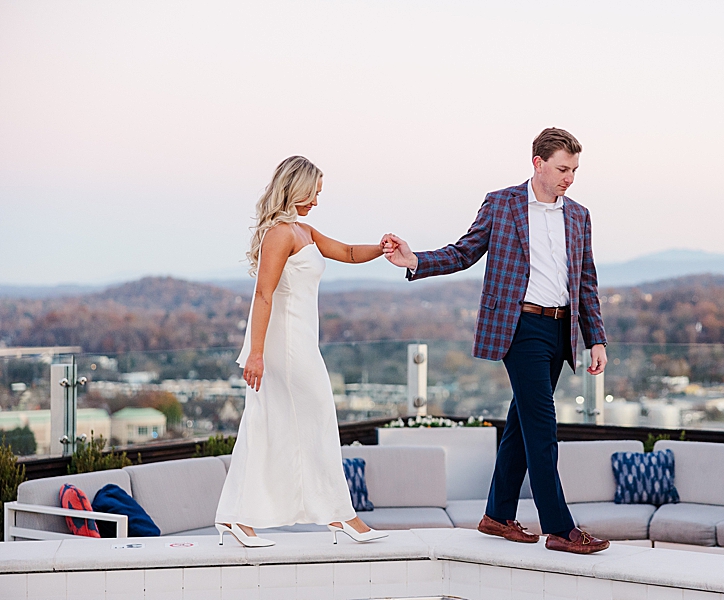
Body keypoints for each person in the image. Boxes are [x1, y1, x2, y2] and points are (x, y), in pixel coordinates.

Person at [382, 128, 609, 554]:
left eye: (575, 170)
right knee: (543, 429)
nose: (570, 178)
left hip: (560, 331)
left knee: (522, 428)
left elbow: (586, 282)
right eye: (563, 169)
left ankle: (497, 515)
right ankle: (560, 528)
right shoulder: (502, 204)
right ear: (537, 163)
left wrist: (595, 339)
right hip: (520, 330)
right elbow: (465, 251)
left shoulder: (579, 215)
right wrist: (415, 260)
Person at [215, 156, 388, 548]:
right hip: (285, 346)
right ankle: (341, 516)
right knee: (316, 420)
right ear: (296, 188)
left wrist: (380, 248)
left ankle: (236, 518)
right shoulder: (280, 234)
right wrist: (256, 353)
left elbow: (345, 251)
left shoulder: (303, 230)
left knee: (267, 423)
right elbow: (263, 294)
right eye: (313, 194)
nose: (316, 202)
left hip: (300, 342)